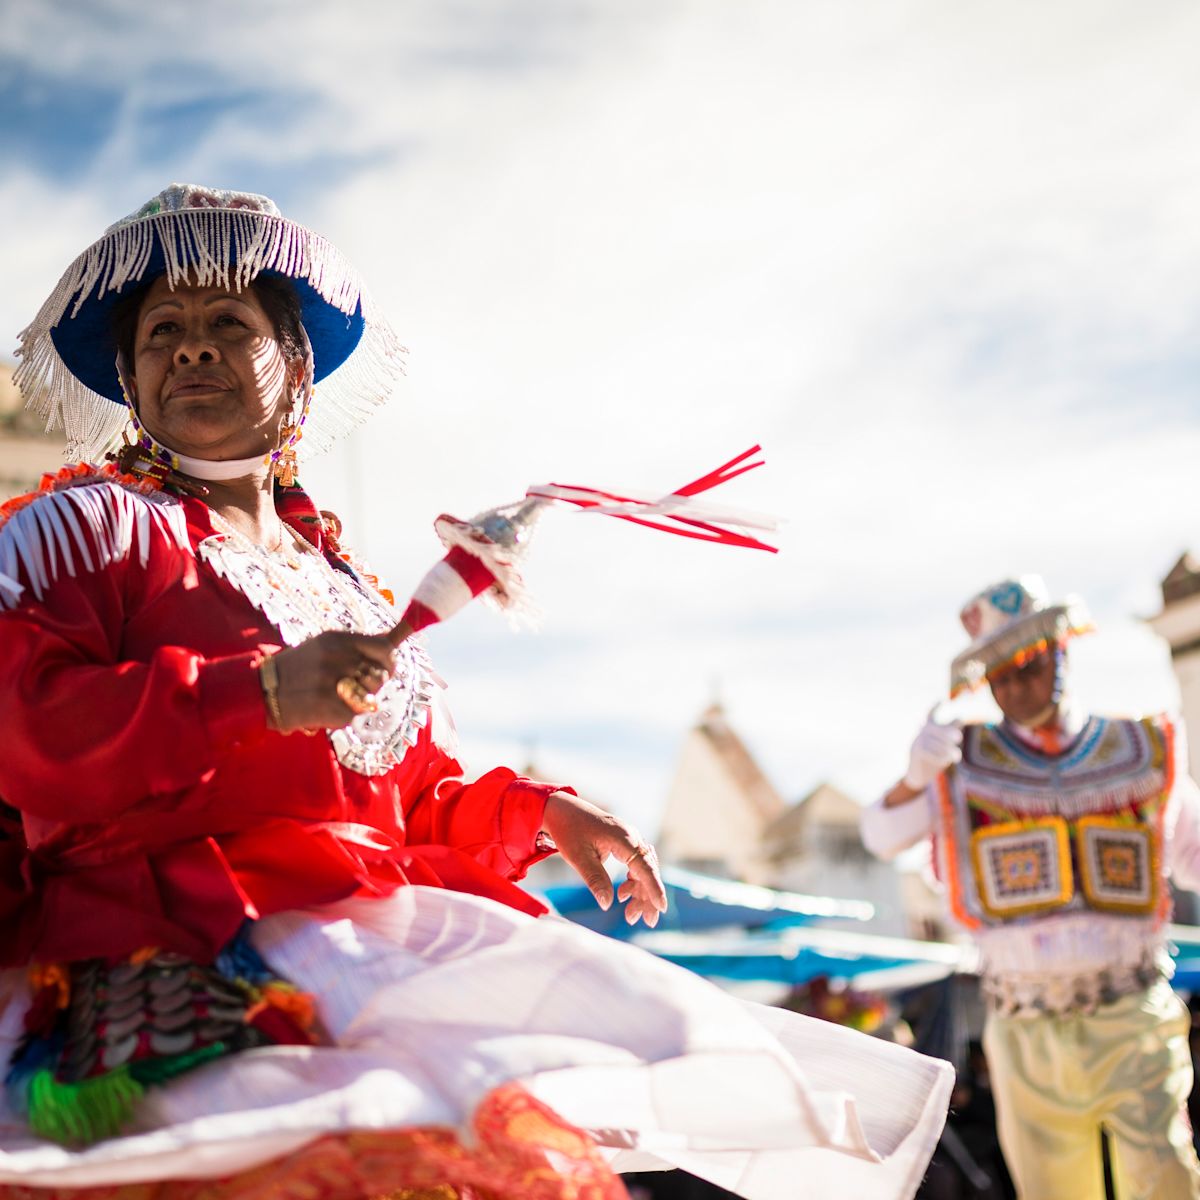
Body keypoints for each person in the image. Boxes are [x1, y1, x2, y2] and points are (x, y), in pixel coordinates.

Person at [0, 183, 952, 1200]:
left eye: (228, 323)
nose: (191, 348)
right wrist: (258, 694)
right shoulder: (76, 533)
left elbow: (409, 799)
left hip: (371, 948)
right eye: (162, 333)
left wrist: (532, 808)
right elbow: (25, 728)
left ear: (298, 367)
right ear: (129, 375)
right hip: (170, 948)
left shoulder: (352, 590)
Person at [861, 575, 1200, 1200]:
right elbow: (882, 836)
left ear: (1060, 652)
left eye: (1028, 665)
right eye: (999, 675)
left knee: (1163, 1179)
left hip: (1130, 1009)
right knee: (1053, 1189)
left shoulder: (1141, 746)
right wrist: (915, 776)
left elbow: (1192, 852)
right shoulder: (959, 760)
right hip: (1024, 1022)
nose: (1014, 686)